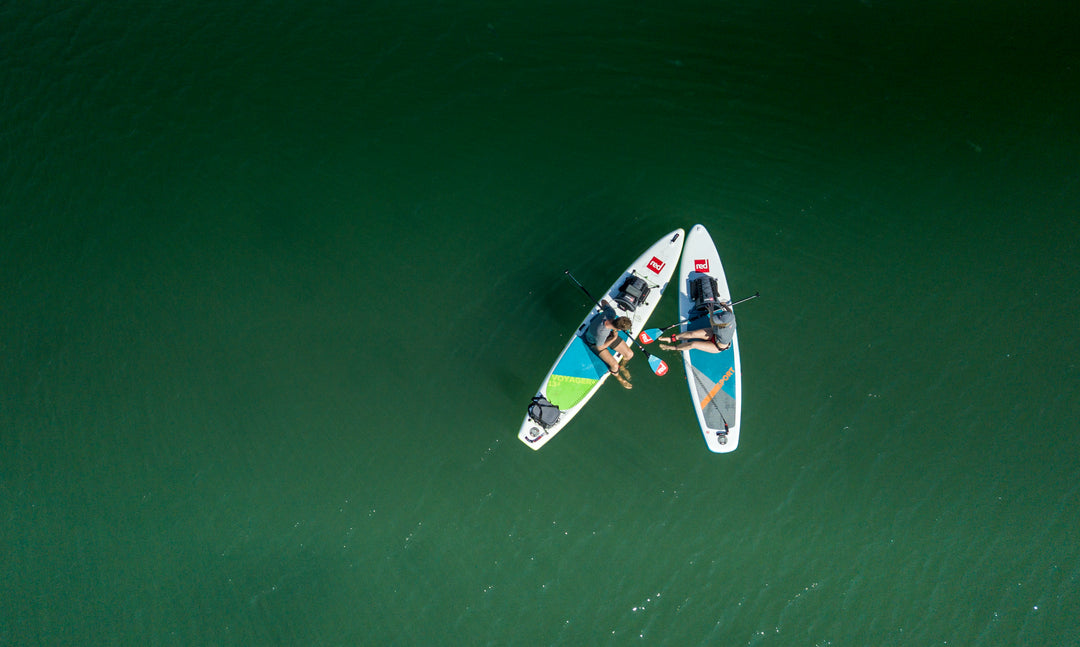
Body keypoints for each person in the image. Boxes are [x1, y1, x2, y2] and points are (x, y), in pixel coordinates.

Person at [583, 299, 634, 389]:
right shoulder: (601, 332)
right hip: (594, 342)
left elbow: (603, 301)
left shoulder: (611, 312)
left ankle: (622, 367)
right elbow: (600, 347)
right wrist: (614, 338)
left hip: (608, 334)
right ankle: (620, 378)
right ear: (619, 329)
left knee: (629, 354)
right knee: (614, 365)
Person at [659, 307, 735, 353]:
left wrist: (711, 311)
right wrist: (724, 305)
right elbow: (729, 311)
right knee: (692, 334)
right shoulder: (731, 316)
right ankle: (671, 339)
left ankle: (673, 348)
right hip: (716, 336)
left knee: (693, 344)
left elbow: (712, 321)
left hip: (717, 346)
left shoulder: (721, 331)